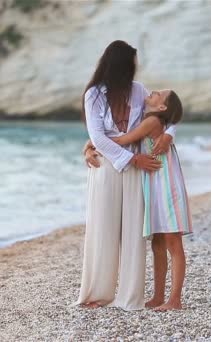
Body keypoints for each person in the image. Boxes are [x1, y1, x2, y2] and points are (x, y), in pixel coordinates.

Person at [71, 40, 175, 311]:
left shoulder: (139, 91)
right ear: (122, 65)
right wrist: (129, 157)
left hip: (135, 173)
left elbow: (169, 114)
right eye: (133, 62)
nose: (136, 67)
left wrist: (169, 134)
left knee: (133, 235)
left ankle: (130, 297)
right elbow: (98, 136)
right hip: (106, 168)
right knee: (102, 230)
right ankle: (97, 293)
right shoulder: (94, 94)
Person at [110, 89, 192, 311]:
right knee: (157, 244)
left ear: (162, 107)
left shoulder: (153, 121)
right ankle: (158, 297)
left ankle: (175, 300)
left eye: (159, 94)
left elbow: (123, 140)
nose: (153, 91)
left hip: (167, 186)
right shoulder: (155, 120)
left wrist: (93, 143)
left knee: (173, 243)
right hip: (155, 187)